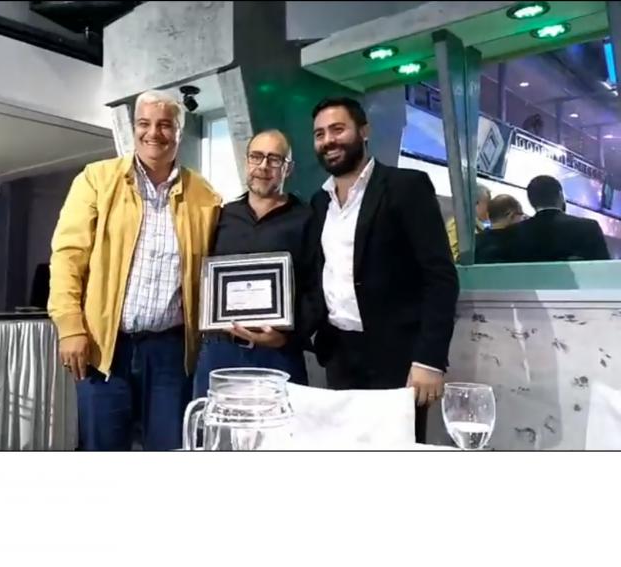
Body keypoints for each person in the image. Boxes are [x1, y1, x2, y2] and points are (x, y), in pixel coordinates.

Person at [48, 90, 222, 451]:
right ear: (134, 129)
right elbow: (68, 256)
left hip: (171, 353)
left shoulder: (206, 196)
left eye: (164, 125)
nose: (153, 133)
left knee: (169, 452)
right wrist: (70, 327)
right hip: (105, 348)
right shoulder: (96, 179)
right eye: (144, 123)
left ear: (179, 131)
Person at [306, 97, 459, 443]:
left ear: (364, 131)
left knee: (397, 451)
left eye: (337, 129)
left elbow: (440, 277)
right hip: (339, 355)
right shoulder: (319, 202)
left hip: (398, 358)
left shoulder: (406, 186)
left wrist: (430, 359)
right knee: (347, 449)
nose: (328, 140)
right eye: (319, 134)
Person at [193, 130, 315, 398]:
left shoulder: (308, 219)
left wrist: (286, 337)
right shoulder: (220, 216)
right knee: (212, 424)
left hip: (278, 354)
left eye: (274, 159)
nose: (263, 166)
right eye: (256, 156)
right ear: (246, 161)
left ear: (288, 168)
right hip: (219, 350)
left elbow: (316, 289)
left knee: (281, 425)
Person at [477, 176, 610, 263]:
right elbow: (605, 270)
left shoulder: (512, 234)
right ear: (560, 196)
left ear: (531, 201)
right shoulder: (589, 228)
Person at [445, 184, 491, 262]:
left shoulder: (475, 225)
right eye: (488, 204)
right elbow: (453, 257)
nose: (489, 209)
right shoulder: (458, 224)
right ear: (476, 203)